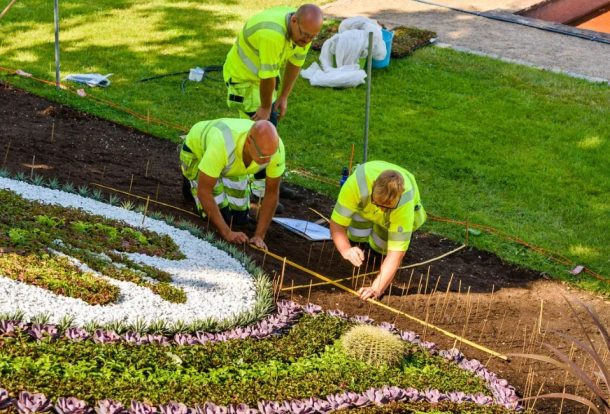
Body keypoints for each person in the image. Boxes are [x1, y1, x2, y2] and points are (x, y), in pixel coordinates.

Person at [179, 118, 284, 250]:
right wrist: (227, 232)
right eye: (263, 155)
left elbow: (272, 192)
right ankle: (189, 185)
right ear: (249, 141)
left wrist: (259, 236)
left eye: (271, 155)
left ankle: (219, 177)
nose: (267, 161)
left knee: (239, 218)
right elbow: (204, 191)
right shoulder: (223, 142)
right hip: (197, 154)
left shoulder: (275, 149)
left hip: (230, 165)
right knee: (221, 217)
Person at [329, 161, 426, 301]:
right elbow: (337, 225)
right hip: (364, 209)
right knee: (355, 234)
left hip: (392, 219)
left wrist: (376, 288)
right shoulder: (355, 185)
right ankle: (359, 246)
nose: (381, 209)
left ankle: (374, 253)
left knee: (381, 247)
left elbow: (396, 254)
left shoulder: (404, 204)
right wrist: (346, 249)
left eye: (387, 206)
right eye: (378, 203)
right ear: (372, 188)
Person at [223, 4, 323, 124]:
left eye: (312, 37)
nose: (307, 41)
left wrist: (283, 96)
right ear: (294, 21)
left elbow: (295, 64)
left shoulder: (304, 30)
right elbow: (267, 76)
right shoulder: (272, 36)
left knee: (260, 130)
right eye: (305, 35)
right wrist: (265, 108)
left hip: (262, 78)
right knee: (262, 131)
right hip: (243, 81)